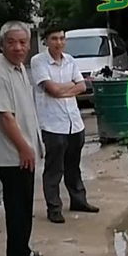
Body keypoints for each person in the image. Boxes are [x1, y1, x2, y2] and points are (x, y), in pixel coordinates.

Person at [0, 21, 48, 256]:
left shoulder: (19, 68)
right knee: (17, 207)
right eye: (12, 42)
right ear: (2, 45)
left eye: (23, 42)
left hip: (23, 152)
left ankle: (22, 249)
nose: (18, 47)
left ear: (29, 44)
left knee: (23, 204)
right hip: (13, 156)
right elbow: (3, 116)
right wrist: (24, 148)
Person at [30, 26, 100, 224]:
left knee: (73, 165)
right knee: (54, 168)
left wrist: (65, 90)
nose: (59, 42)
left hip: (74, 123)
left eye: (62, 38)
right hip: (53, 124)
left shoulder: (70, 60)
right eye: (54, 38)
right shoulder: (38, 62)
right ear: (46, 41)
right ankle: (54, 207)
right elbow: (51, 89)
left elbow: (83, 86)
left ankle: (79, 200)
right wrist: (69, 87)